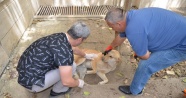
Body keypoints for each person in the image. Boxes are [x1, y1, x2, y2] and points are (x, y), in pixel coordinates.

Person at [104, 7, 186, 95]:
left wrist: (139, 51)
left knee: (146, 64)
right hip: (178, 33)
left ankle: (135, 90)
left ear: (119, 24)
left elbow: (145, 56)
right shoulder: (131, 16)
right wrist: (110, 47)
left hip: (182, 46)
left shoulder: (133, 30)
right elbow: (121, 36)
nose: (112, 29)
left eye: (112, 27)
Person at [16, 21, 97, 96]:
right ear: (80, 39)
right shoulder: (65, 53)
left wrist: (85, 55)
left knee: (63, 65)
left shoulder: (60, 36)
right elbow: (67, 82)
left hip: (23, 75)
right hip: (33, 85)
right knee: (72, 66)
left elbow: (74, 49)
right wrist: (78, 83)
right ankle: (57, 91)